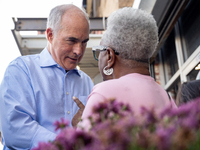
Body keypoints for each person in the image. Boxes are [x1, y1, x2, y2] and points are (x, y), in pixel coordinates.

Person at [0, 4, 94, 150]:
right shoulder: (21, 70)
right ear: (50, 35)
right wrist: (67, 144)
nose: (79, 51)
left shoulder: (87, 81)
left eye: (84, 42)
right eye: (72, 41)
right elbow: (15, 131)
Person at [76, 7, 177, 130]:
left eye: (100, 51)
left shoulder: (104, 93)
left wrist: (78, 126)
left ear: (109, 56)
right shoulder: (165, 96)